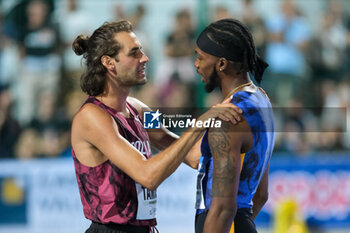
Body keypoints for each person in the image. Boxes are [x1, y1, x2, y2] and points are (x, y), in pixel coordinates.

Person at [70, 20, 242, 233]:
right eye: (134, 53)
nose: (145, 58)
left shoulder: (139, 109)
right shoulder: (92, 116)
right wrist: (199, 124)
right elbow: (148, 176)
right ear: (108, 62)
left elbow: (192, 156)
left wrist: (240, 133)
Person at [190, 18, 275, 233]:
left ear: (221, 64)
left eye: (200, 57)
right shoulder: (261, 100)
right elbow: (261, 194)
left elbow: (222, 208)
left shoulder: (228, 118)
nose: (196, 64)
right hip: (240, 223)